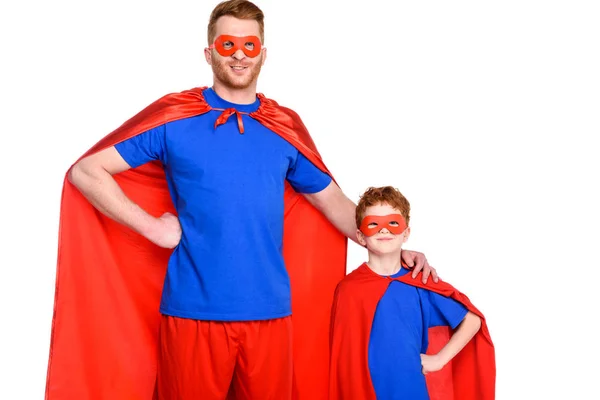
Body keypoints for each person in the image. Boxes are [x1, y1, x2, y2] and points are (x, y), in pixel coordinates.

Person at [44, 1, 436, 399]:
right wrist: (153, 227)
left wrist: (388, 242)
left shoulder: (283, 128)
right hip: (191, 312)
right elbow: (86, 171)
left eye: (250, 45)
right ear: (209, 52)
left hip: (270, 314)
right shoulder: (174, 119)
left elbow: (331, 202)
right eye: (228, 43)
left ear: (263, 55)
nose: (238, 54)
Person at [329, 186, 495, 400]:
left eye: (393, 223)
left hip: (411, 391)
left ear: (406, 233)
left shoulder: (420, 283)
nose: (384, 230)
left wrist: (438, 360)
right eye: (373, 224)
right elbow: (342, 356)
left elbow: (472, 320)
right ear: (360, 236)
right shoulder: (348, 288)